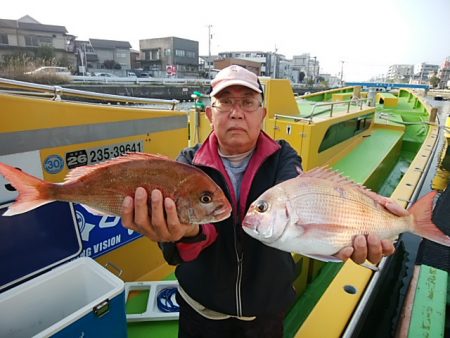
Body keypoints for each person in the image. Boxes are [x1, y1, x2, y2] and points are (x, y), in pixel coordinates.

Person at [121, 65, 398, 338]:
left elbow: (307, 202)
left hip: (265, 315)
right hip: (199, 311)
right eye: (225, 102)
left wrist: (339, 239)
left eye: (248, 103)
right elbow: (174, 252)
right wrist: (183, 234)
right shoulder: (187, 166)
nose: (237, 113)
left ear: (262, 114)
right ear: (209, 114)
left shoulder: (284, 158)